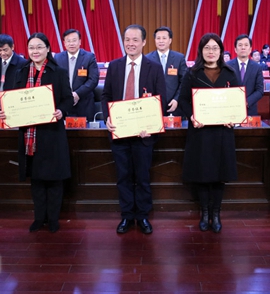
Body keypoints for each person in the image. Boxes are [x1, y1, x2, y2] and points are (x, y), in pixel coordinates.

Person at [1, 33, 73, 233]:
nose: (35, 51)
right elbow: (12, 97)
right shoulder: (21, 71)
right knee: (37, 179)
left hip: (51, 132)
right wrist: (7, 111)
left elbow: (67, 99)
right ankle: (39, 218)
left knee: (54, 178)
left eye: (39, 47)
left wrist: (62, 111)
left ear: (48, 49)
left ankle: (53, 220)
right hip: (29, 135)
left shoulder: (58, 72)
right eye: (31, 47)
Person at [101, 24, 166, 235]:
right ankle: (127, 216)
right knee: (123, 177)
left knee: (143, 177)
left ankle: (143, 216)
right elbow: (105, 96)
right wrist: (107, 118)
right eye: (127, 39)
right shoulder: (115, 66)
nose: (131, 43)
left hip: (144, 134)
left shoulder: (154, 67)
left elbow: (161, 100)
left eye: (135, 40)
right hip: (120, 132)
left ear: (144, 42)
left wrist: (153, 125)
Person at [179, 33, 239, 233]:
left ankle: (216, 213)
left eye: (215, 48)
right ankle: (204, 213)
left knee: (219, 175)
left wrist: (234, 117)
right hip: (201, 132)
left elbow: (237, 100)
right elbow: (183, 101)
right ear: (201, 51)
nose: (211, 51)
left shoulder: (230, 73)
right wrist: (192, 117)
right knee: (203, 174)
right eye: (207, 48)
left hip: (222, 132)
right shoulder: (192, 73)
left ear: (221, 51)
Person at [54, 29, 99, 120]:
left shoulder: (89, 57)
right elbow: (55, 79)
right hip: (64, 105)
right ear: (64, 43)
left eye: (74, 40)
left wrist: (77, 94)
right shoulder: (57, 58)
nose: (71, 43)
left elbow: (93, 80)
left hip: (84, 104)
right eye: (68, 41)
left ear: (79, 42)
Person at [146, 26, 188, 116]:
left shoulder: (179, 58)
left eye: (164, 38)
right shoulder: (147, 59)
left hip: (174, 106)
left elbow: (184, 82)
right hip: (153, 107)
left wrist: (177, 99)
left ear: (170, 40)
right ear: (155, 40)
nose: (161, 41)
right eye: (158, 38)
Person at [0, 34, 29, 118]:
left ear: (12, 47)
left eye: (5, 50)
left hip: (12, 109)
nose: (2, 53)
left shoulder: (22, 63)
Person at [227, 34, 264, 116]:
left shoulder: (257, 67)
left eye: (246, 45)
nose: (243, 47)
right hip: (231, 109)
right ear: (235, 49)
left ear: (250, 49)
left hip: (250, 110)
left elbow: (260, 90)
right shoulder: (227, 66)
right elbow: (223, 87)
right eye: (240, 45)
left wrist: (246, 102)